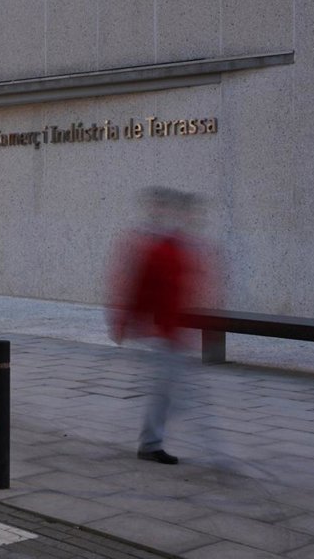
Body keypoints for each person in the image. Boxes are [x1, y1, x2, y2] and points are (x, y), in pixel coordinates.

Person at [107, 187, 203, 465]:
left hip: (174, 330)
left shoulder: (179, 245)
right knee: (166, 391)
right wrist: (123, 322)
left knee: (172, 391)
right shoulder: (157, 246)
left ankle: (151, 439)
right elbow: (136, 286)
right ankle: (150, 444)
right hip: (161, 331)